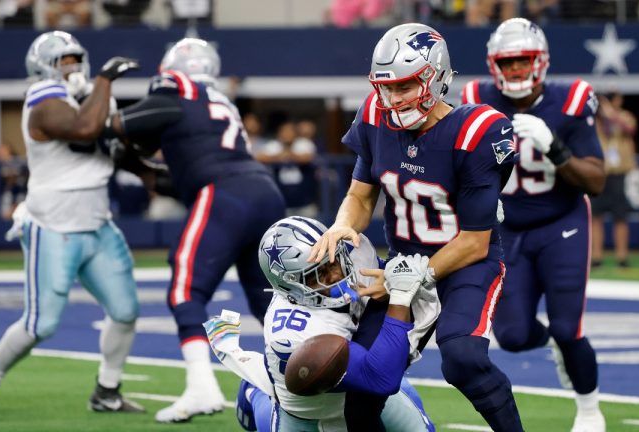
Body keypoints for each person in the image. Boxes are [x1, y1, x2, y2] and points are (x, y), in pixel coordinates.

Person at [310, 23, 523, 432]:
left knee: (464, 359)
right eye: (385, 87)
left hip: (465, 264)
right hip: (403, 259)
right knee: (366, 383)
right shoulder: (374, 116)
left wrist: (406, 281)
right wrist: (341, 226)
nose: (392, 99)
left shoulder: (477, 130)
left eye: (405, 87)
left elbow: (475, 243)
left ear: (436, 76)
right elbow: (360, 196)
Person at [103, 37, 286, 422]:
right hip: (264, 193)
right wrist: (139, 167)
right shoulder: (219, 104)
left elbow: (114, 127)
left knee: (186, 288)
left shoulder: (176, 93)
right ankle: (296, 384)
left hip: (225, 193)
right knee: (269, 301)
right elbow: (187, 175)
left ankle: (201, 385)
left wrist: (101, 125)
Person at [0, 31, 141, 415]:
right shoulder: (43, 98)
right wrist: (106, 81)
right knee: (40, 324)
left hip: (97, 223)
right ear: (45, 66)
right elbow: (84, 129)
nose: (73, 67)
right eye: (64, 61)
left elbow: (114, 141)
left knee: (126, 311)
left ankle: (106, 390)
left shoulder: (94, 97)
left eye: (75, 58)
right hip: (53, 227)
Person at [461, 17, 607, 432]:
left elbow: (595, 181)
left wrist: (555, 148)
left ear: (540, 62)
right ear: (494, 65)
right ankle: (553, 343)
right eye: (509, 63)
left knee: (568, 326)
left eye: (524, 61)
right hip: (506, 230)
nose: (517, 71)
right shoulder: (476, 99)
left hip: (562, 222)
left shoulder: (572, 100)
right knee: (513, 336)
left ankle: (590, 409)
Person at [205, 216, 437, 431]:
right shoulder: (291, 333)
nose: (335, 274)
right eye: (318, 273)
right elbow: (379, 378)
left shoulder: (355, 252)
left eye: (333, 260)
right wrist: (400, 297)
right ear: (291, 286)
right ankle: (254, 393)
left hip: (356, 392)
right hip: (307, 418)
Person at [591, 92, 637, 268]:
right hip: (601, 172)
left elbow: (630, 130)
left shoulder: (625, 116)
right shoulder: (595, 119)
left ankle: (622, 256)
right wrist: (601, 114)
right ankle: (596, 257)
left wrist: (612, 115)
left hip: (619, 173)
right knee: (596, 216)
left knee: (621, 216)